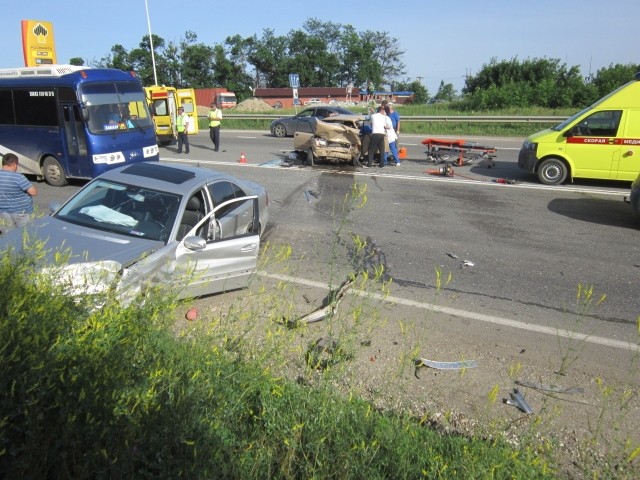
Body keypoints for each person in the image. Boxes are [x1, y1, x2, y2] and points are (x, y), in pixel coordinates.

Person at [0, 153, 37, 234]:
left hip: (3, 213)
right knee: (26, 234)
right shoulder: (18, 177)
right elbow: (33, 192)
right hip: (21, 212)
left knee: (9, 236)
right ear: (14, 164)